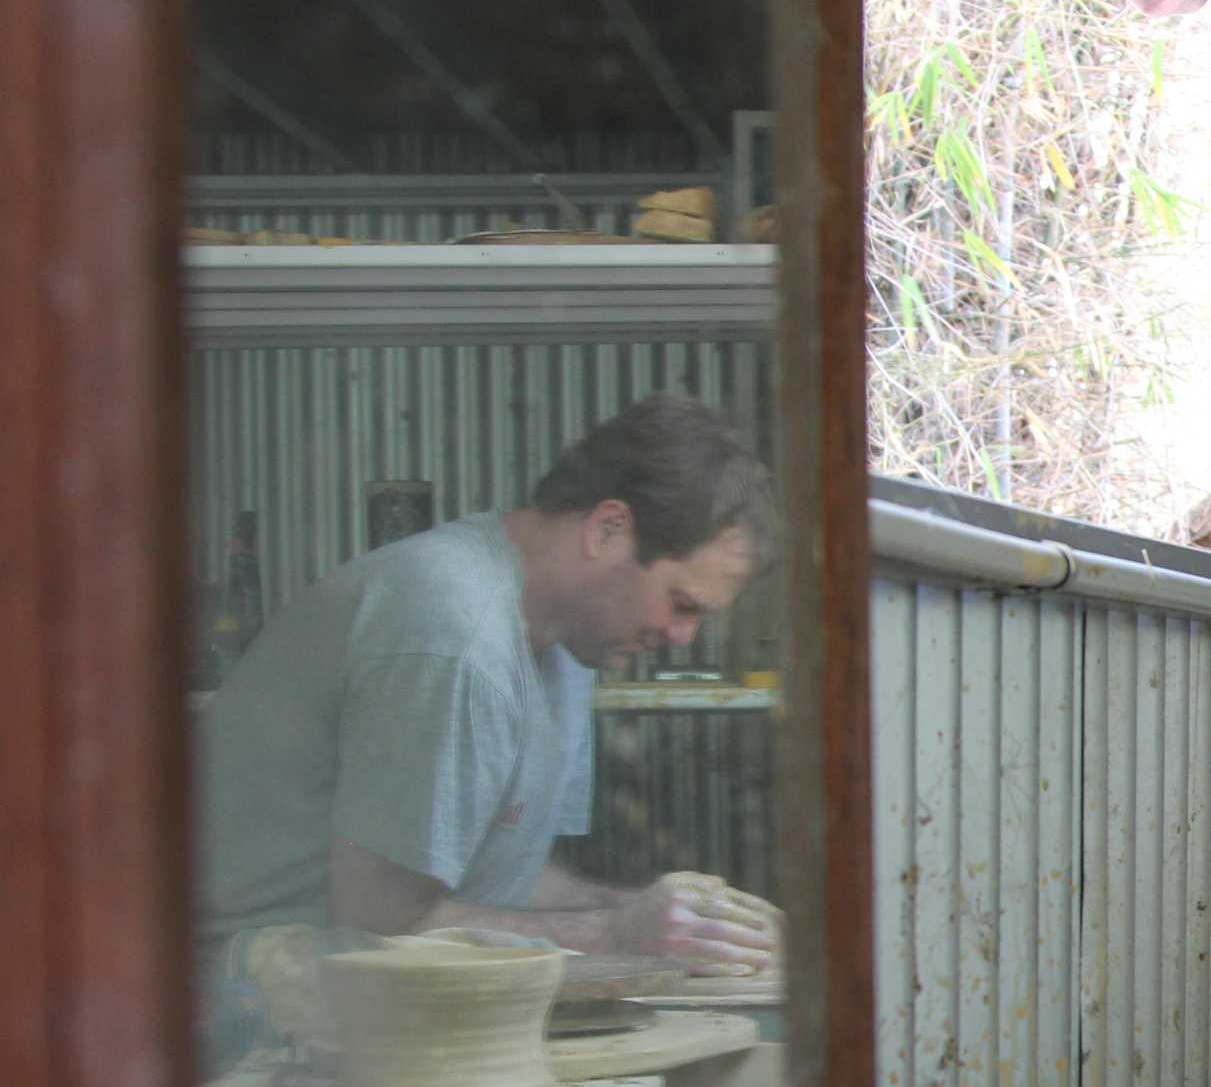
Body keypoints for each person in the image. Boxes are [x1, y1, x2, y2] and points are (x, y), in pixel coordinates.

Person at [199, 392, 784, 1000]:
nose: (681, 636)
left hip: (362, 967)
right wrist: (615, 932)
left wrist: (658, 915)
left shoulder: (567, 643)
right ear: (608, 529)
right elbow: (381, 922)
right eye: (681, 603)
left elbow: (497, 878)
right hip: (236, 989)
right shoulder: (457, 637)